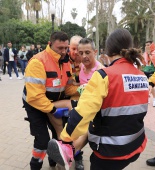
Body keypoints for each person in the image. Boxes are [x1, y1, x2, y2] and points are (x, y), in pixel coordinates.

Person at [47, 28, 149, 170]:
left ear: (106, 51)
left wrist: (65, 138)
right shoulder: (142, 76)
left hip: (110, 151)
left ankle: (68, 150)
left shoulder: (104, 75)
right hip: (135, 144)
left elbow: (82, 114)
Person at [22, 31, 74, 170]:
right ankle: (35, 165)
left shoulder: (65, 62)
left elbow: (67, 88)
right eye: (60, 48)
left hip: (53, 104)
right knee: (42, 141)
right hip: (35, 106)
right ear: (50, 45)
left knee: (57, 136)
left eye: (66, 48)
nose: (64, 51)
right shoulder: (38, 62)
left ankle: (53, 159)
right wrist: (53, 110)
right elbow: (35, 97)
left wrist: (82, 90)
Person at [143, 40, 155, 107]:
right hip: (146, 70)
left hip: (152, 70)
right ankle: (147, 97)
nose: (147, 46)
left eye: (148, 45)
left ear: (151, 45)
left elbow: (154, 60)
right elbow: (144, 62)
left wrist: (149, 53)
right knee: (145, 85)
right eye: (146, 45)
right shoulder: (145, 53)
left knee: (150, 84)